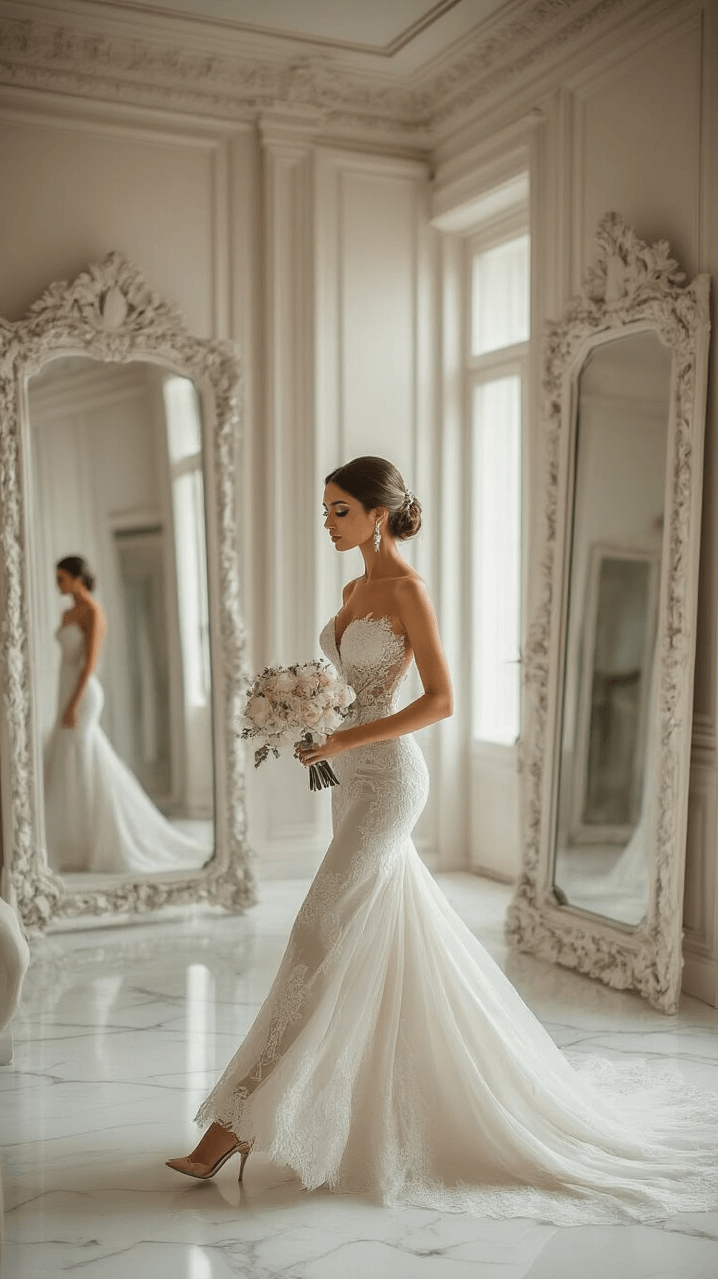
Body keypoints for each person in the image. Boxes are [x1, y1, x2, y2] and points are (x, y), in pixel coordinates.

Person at [166, 458, 718, 1224]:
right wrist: (315, 729)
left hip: (391, 780)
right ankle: (336, 1108)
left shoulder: (406, 590)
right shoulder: (352, 592)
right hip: (349, 778)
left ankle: (232, 1126)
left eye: (339, 510)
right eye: (324, 510)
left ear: (378, 514)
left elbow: (441, 700)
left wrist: (345, 736)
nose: (328, 523)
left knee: (316, 932)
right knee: (377, 933)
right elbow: (348, 692)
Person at [45, 555, 206, 875]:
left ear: (78, 578)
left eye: (61, 578)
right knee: (70, 763)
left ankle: (102, 841)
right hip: (65, 692)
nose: (57, 584)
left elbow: (90, 664)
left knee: (84, 761)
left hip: (82, 694)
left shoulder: (93, 611)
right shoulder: (67, 613)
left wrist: (73, 703)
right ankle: (75, 844)